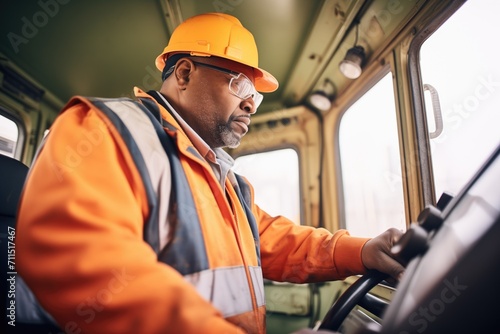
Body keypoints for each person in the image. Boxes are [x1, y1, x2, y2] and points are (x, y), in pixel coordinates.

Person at [16, 12, 404, 334]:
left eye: (257, 95)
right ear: (184, 74)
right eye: (240, 86)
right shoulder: (102, 130)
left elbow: (276, 241)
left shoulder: (225, 180)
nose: (252, 105)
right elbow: (88, 265)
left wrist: (362, 251)